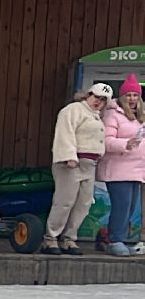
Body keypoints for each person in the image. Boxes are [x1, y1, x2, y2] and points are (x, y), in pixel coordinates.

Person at [44, 83, 113, 255]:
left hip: (90, 164)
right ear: (88, 95)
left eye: (103, 100)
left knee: (83, 203)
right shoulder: (73, 110)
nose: (98, 102)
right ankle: (51, 238)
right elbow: (64, 132)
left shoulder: (96, 116)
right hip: (72, 162)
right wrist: (69, 156)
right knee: (64, 201)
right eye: (96, 97)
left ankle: (69, 238)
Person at [100, 76, 144, 255]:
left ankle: (116, 238)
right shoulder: (113, 114)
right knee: (122, 205)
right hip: (118, 169)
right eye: (129, 95)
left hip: (137, 170)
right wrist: (125, 144)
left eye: (135, 95)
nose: (132, 99)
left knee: (130, 208)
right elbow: (106, 141)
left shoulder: (140, 116)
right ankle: (115, 240)